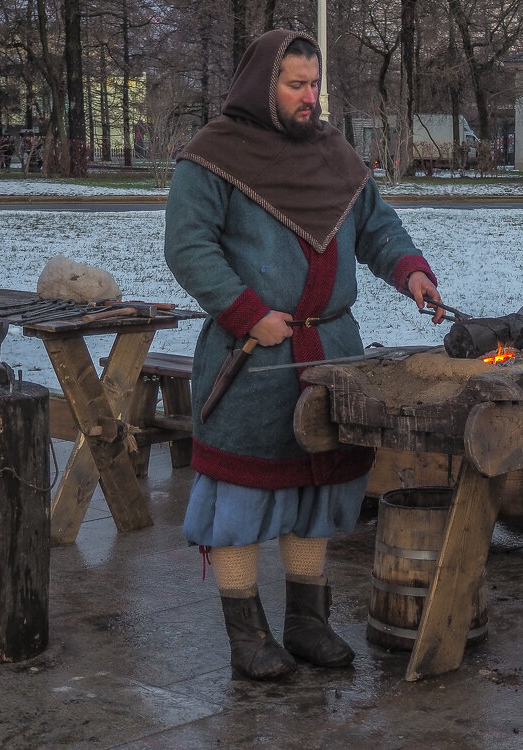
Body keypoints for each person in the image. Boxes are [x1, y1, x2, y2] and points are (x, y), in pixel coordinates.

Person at [164, 29, 446, 681]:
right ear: (264, 85)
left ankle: (308, 623)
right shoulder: (212, 159)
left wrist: (410, 271)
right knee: (242, 497)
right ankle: (248, 636)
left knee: (315, 491)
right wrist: (247, 313)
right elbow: (188, 247)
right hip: (252, 361)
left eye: (314, 84)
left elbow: (376, 225)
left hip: (330, 354)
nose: (308, 96)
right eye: (295, 84)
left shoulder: (333, 153)